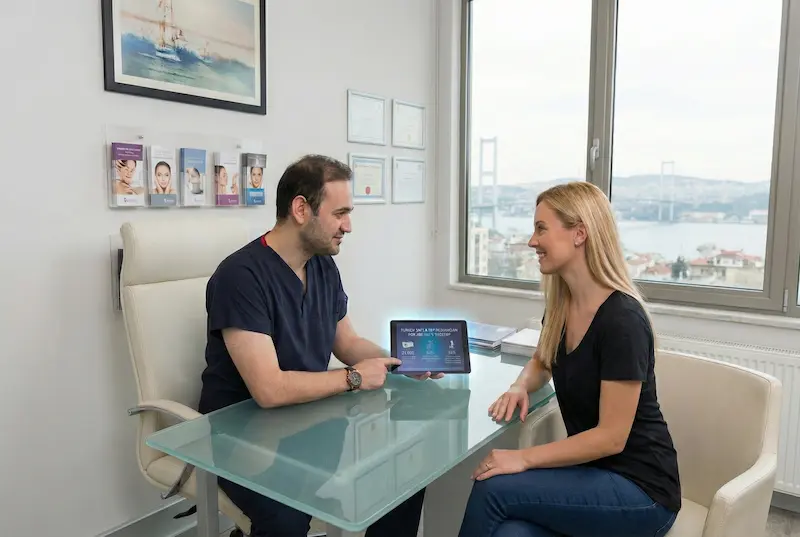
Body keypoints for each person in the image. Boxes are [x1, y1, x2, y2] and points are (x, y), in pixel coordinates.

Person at [198, 154, 440, 537]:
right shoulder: (240, 277)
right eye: (340, 213)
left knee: (402, 473)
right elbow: (269, 389)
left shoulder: (322, 265)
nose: (348, 226)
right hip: (241, 437)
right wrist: (354, 378)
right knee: (288, 518)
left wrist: (403, 360)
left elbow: (348, 343)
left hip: (305, 419)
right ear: (300, 209)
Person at [458, 182, 681, 537]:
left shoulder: (622, 320)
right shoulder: (563, 306)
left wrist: (523, 458)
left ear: (579, 233)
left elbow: (611, 438)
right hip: (592, 473)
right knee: (509, 533)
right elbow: (543, 360)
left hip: (642, 491)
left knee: (493, 488)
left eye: (541, 228)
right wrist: (519, 385)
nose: (532, 241)